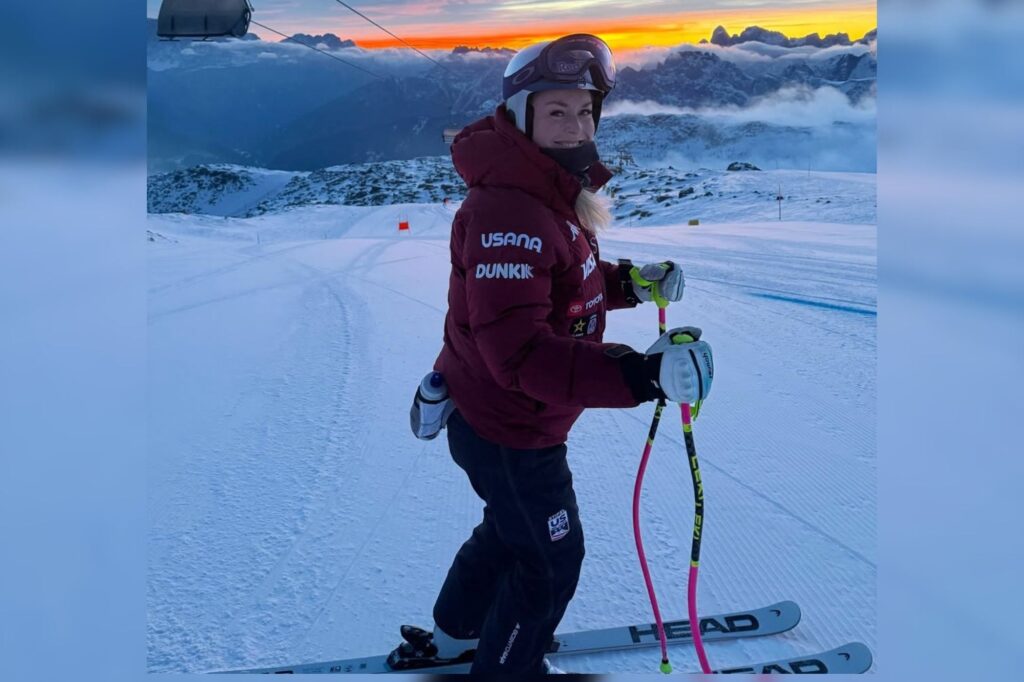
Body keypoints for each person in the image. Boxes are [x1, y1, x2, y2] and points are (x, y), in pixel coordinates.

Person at [418, 34, 714, 675]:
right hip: (510, 428)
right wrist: (642, 375)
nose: (576, 126)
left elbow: (562, 282)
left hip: (500, 419)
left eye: (585, 111)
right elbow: (522, 355)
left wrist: (631, 283)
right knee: (550, 560)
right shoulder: (510, 211)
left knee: (510, 530)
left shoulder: (541, 190)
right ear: (520, 116)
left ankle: (458, 635)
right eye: (556, 111)